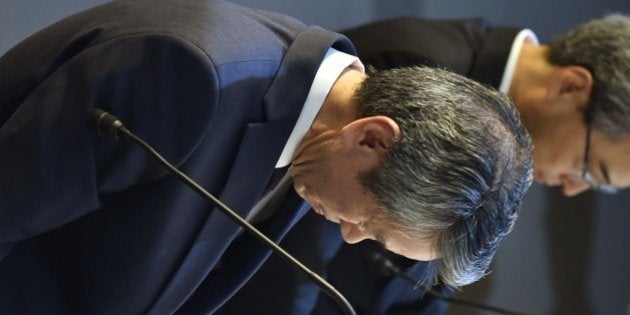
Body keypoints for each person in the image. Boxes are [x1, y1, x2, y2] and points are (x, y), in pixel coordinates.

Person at [0, 0, 533, 314]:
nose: (350, 236)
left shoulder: (312, 143)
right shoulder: (193, 74)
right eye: (371, 220)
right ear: (371, 138)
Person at [222, 14, 630, 314]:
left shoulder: (502, 167)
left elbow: (421, 288)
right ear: (572, 85)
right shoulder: (419, 64)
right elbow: (294, 249)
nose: (575, 187)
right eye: (591, 168)